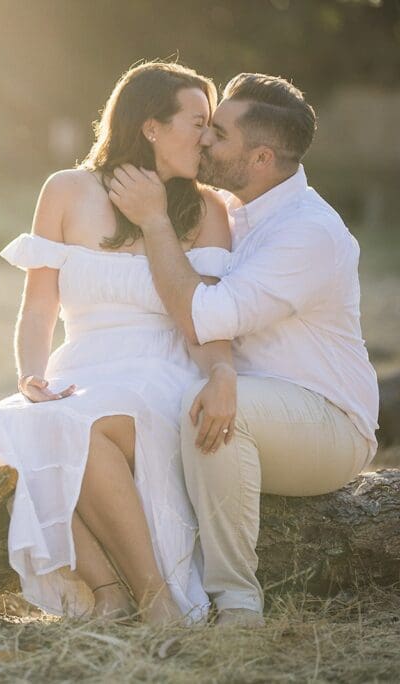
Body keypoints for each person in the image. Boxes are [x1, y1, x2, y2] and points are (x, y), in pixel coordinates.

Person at [106, 73, 379, 627]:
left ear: (260, 158)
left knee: (211, 409)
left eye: (219, 134)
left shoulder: (307, 233)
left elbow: (201, 316)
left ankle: (237, 607)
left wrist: (155, 221)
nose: (203, 138)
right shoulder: (232, 209)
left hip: (329, 421)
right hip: (258, 402)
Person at [0, 61, 236, 627]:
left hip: (160, 370)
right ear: (151, 127)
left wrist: (221, 374)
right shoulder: (65, 191)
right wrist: (31, 375)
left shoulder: (208, 210)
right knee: (6, 423)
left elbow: (206, 319)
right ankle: (109, 594)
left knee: (83, 424)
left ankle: (157, 600)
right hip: (82, 364)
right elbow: (39, 306)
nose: (208, 138)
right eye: (198, 123)